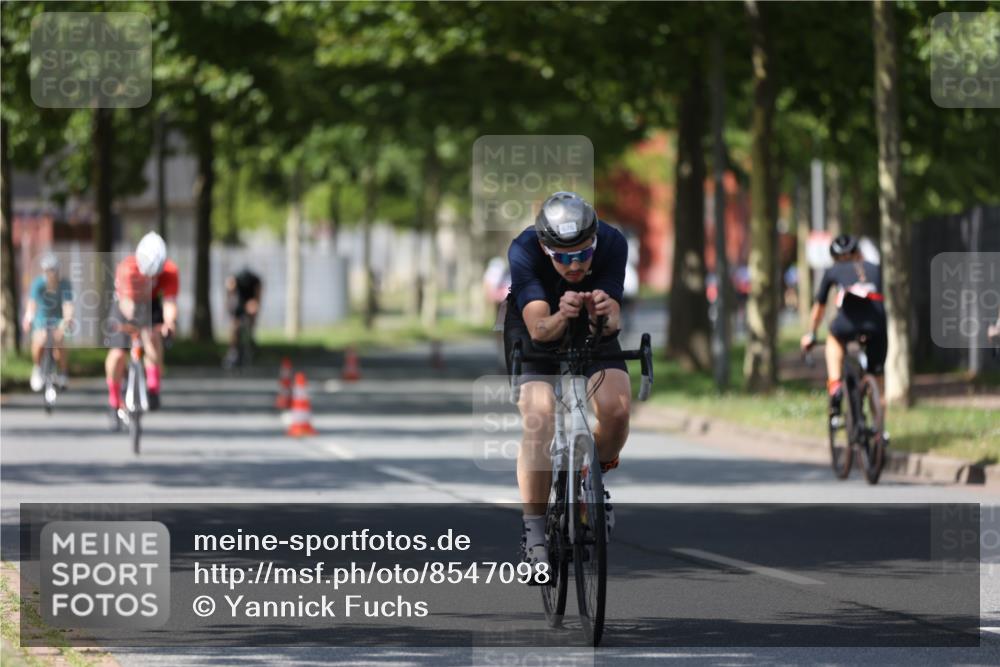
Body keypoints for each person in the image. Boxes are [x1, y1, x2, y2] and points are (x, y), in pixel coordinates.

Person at [503, 191, 630, 578]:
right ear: (545, 249)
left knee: (617, 410)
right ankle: (534, 535)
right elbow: (540, 329)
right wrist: (562, 315)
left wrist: (604, 316)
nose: (575, 265)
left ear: (595, 240)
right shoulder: (523, 250)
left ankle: (591, 481)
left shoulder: (613, 242)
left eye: (583, 254)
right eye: (563, 257)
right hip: (538, 326)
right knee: (540, 415)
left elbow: (614, 321)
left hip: (589, 327)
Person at [800, 234, 888, 421]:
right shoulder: (875, 268)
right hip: (877, 324)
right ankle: (880, 430)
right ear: (858, 252)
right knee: (877, 378)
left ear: (834, 257)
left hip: (847, 323)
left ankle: (835, 386)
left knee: (834, 338)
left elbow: (819, 308)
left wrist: (811, 334)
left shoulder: (833, 270)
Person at [104, 232, 179, 428]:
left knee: (153, 339)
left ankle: (153, 388)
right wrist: (138, 328)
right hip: (125, 303)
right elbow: (128, 306)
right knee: (117, 355)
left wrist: (169, 323)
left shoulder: (170, 271)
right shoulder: (127, 269)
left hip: (150, 302)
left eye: (154, 275)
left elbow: (169, 302)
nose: (150, 277)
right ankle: (114, 402)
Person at [21, 252, 74, 391]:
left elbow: (67, 304)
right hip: (41, 319)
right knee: (40, 339)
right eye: (48, 270)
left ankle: (63, 372)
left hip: (58, 319)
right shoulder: (38, 284)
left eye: (53, 270)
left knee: (59, 339)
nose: (51, 273)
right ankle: (37, 368)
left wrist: (68, 319)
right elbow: (32, 304)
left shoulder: (64, 284)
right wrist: (28, 318)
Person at [224, 267, 262, 366]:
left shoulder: (255, 281)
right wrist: (231, 312)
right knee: (235, 327)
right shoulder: (234, 281)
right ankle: (232, 351)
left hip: (251, 300)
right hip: (239, 303)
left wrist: (255, 307)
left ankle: (250, 341)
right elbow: (229, 298)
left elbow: (258, 298)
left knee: (250, 320)